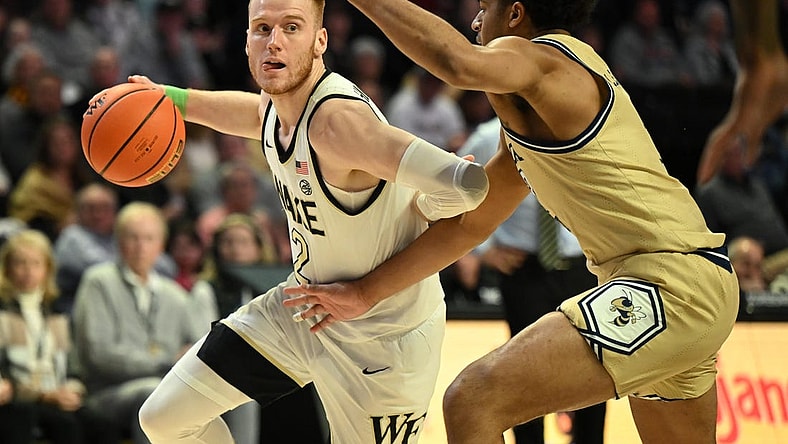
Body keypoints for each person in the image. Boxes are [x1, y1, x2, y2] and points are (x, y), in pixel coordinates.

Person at [285, 0, 740, 443]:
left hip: (667, 284)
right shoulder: (531, 119)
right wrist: (365, 292)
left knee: (472, 400)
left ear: (516, 14)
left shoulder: (549, 58)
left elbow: (457, 63)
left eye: (486, 7)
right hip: (686, 282)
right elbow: (469, 227)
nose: (477, 21)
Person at [132, 0, 489, 443]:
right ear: (246, 41)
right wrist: (173, 100)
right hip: (308, 308)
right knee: (165, 418)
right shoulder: (280, 108)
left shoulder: (339, 124)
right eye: (261, 28)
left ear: (320, 41)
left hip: (384, 337)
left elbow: (468, 186)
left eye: (291, 27)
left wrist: (424, 205)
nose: (274, 41)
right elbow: (252, 114)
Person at [456, 117, 606, 444]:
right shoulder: (487, 136)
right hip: (523, 269)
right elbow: (453, 188)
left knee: (596, 367)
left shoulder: (576, 128)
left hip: (581, 264)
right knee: (524, 371)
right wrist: (483, 250)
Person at [72, 202, 202, 444]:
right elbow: (99, 356)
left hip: (166, 385)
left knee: (237, 398)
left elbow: (196, 347)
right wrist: (166, 362)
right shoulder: (98, 281)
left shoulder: (175, 294)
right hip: (108, 392)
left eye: (149, 238)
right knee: (153, 394)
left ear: (161, 245)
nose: (141, 247)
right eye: (133, 238)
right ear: (118, 241)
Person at [0, 229, 121, 444]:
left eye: (35, 264)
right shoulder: (3, 314)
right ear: (7, 269)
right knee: (65, 426)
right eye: (20, 263)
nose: (28, 271)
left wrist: (71, 390)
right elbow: (4, 377)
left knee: (104, 426)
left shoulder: (57, 315)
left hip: (57, 396)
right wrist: (43, 395)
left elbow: (74, 369)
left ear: (47, 270)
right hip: (23, 400)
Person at [696, 0, 788, 185]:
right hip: (761, 64)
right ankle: (704, 189)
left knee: (751, 135)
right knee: (743, 131)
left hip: (772, 64)